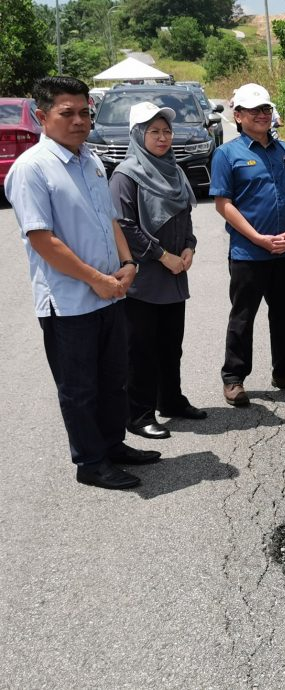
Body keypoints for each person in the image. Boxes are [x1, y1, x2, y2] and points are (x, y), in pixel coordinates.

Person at [4, 76, 161, 490]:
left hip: (110, 294)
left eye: (84, 112)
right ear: (42, 116)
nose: (79, 121)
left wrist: (127, 263)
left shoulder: (90, 159)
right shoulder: (32, 169)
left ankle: (112, 445)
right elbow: (43, 240)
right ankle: (91, 462)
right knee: (79, 388)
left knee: (114, 378)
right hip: (70, 302)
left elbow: (109, 219)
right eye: (67, 113)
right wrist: (97, 280)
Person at [210, 83, 285, 406]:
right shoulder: (227, 154)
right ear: (237, 116)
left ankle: (284, 371)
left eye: (266, 109)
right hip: (248, 252)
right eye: (254, 111)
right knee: (243, 316)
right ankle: (234, 378)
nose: (262, 115)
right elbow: (223, 203)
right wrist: (257, 238)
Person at [109, 102, 204, 440]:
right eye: (154, 131)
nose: (163, 138)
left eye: (167, 131)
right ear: (138, 135)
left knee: (170, 344)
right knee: (141, 349)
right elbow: (124, 226)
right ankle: (139, 414)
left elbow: (185, 215)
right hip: (145, 278)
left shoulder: (174, 171)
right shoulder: (125, 175)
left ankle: (171, 401)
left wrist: (190, 246)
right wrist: (163, 256)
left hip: (175, 274)